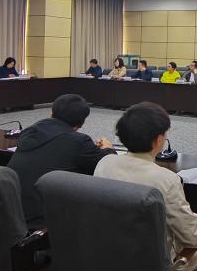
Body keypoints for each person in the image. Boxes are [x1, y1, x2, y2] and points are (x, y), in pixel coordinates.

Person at [94, 102, 197, 271]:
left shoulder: (104, 163)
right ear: (158, 140)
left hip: (109, 254)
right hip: (152, 266)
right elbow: (193, 238)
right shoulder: (166, 179)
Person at [7, 94, 116, 228]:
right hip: (42, 222)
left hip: (9, 211)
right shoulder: (79, 141)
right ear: (82, 123)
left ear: (51, 113)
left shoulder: (29, 131)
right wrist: (108, 148)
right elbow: (107, 165)